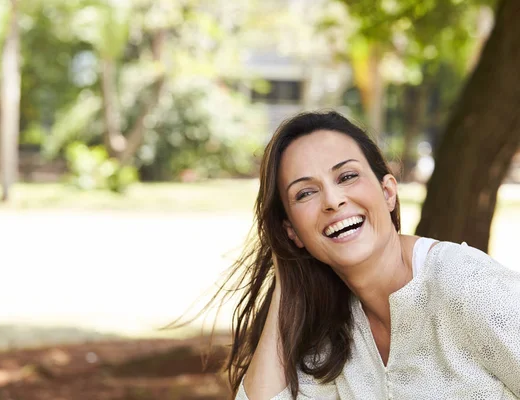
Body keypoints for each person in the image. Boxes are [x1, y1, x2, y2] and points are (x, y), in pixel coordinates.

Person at [220, 111, 520, 399]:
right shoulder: (332, 328)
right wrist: (285, 272)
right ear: (292, 232)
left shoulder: (465, 282)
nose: (333, 201)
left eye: (347, 176)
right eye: (305, 193)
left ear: (388, 192)